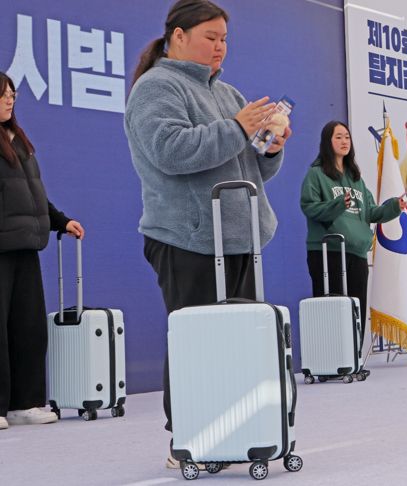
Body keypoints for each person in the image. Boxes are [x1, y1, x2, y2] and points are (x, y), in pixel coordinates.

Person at [124, 0, 291, 466]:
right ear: (178, 35)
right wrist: (237, 129)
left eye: (224, 40)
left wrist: (270, 147)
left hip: (240, 234)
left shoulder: (229, 93)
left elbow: (252, 167)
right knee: (196, 343)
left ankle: (235, 432)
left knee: (239, 346)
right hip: (187, 236)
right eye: (210, 37)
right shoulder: (156, 88)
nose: (219, 48)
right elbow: (171, 151)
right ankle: (188, 438)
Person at [0, 72, 85, 430]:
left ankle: (26, 403)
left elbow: (34, 193)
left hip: (25, 246)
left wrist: (60, 221)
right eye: (2, 95)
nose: (9, 100)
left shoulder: (17, 138)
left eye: (12, 94)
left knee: (29, 327)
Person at [301, 121, 406, 348]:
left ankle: (353, 357)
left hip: (357, 251)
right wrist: (337, 205)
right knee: (332, 308)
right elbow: (309, 207)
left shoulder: (356, 178)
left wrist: (393, 207)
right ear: (327, 142)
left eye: (347, 137)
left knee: (356, 305)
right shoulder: (316, 174)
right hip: (328, 251)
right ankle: (330, 359)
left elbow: (371, 212)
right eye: (338, 137)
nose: (344, 141)